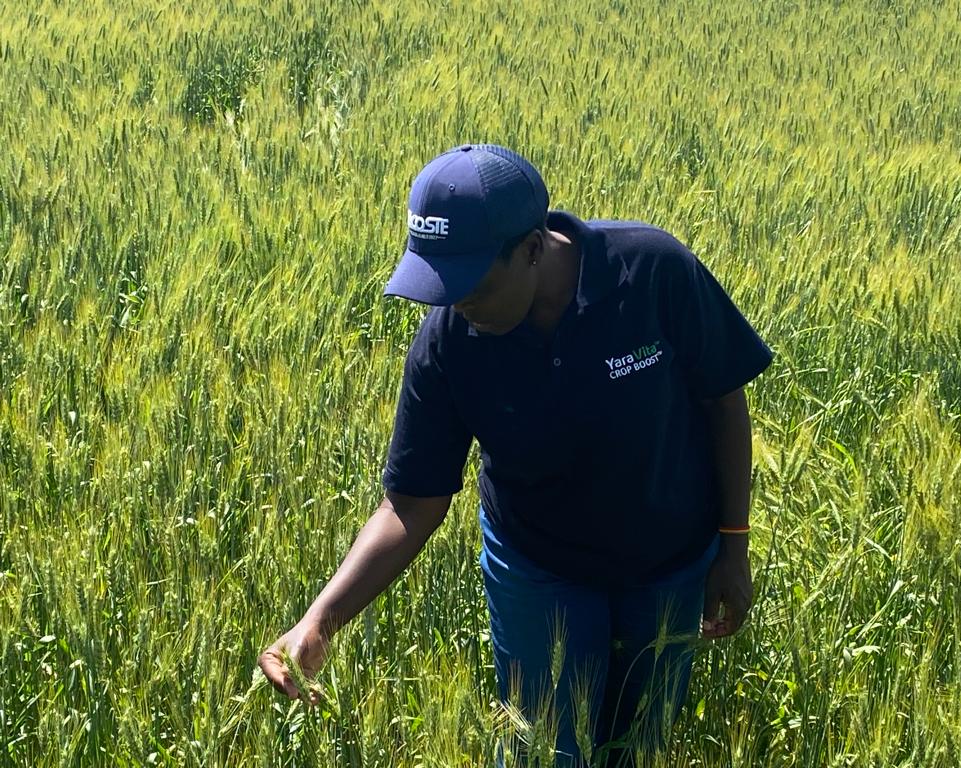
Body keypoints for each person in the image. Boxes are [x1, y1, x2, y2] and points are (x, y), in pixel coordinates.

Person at [259, 144, 773, 767]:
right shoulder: (449, 339)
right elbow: (412, 503)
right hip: (539, 568)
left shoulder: (653, 272)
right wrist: (320, 620)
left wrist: (734, 545)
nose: (456, 305)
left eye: (471, 282)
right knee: (542, 751)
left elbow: (724, 401)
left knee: (640, 746)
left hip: (668, 564)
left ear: (533, 248)